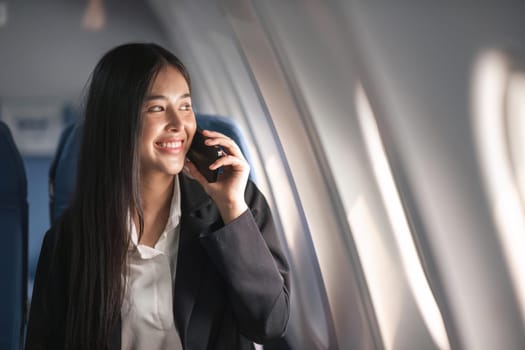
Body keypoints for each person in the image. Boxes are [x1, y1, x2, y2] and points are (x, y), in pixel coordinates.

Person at [26, 43, 290, 350]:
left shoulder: (233, 203)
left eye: (185, 106)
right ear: (118, 121)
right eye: (157, 108)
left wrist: (232, 209)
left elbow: (270, 323)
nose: (179, 125)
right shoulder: (71, 239)